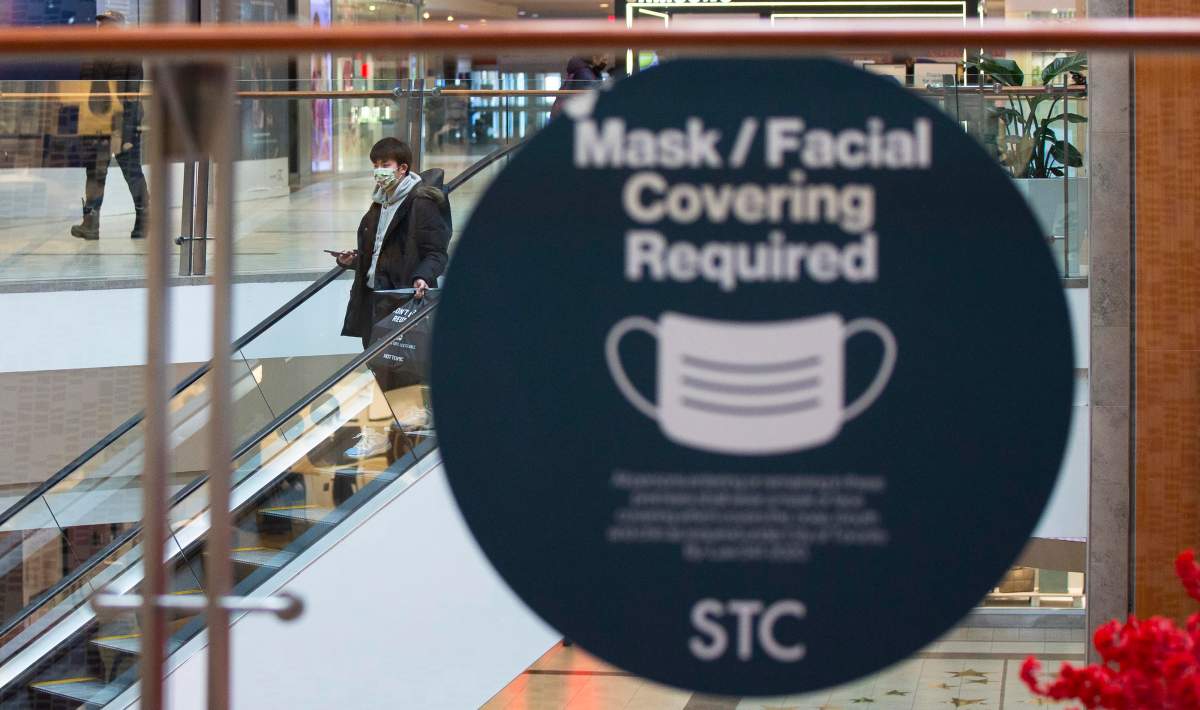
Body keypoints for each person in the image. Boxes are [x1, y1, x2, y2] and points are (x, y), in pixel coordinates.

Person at [332, 137, 450, 459]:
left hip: (400, 299)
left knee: (392, 367)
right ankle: (400, 422)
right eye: (375, 166)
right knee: (382, 367)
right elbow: (381, 251)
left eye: (384, 166)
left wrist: (422, 277)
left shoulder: (421, 203)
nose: (379, 172)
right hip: (374, 298)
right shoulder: (380, 201)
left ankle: (380, 432)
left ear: (402, 168)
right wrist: (354, 259)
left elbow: (436, 252)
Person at [71, 10, 149, 241]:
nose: (102, 28)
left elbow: (132, 96)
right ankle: (91, 223)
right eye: (101, 24)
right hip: (97, 123)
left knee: (132, 172)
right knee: (95, 172)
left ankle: (145, 220)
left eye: (107, 24)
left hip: (123, 123)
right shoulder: (91, 53)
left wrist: (126, 134)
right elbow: (84, 91)